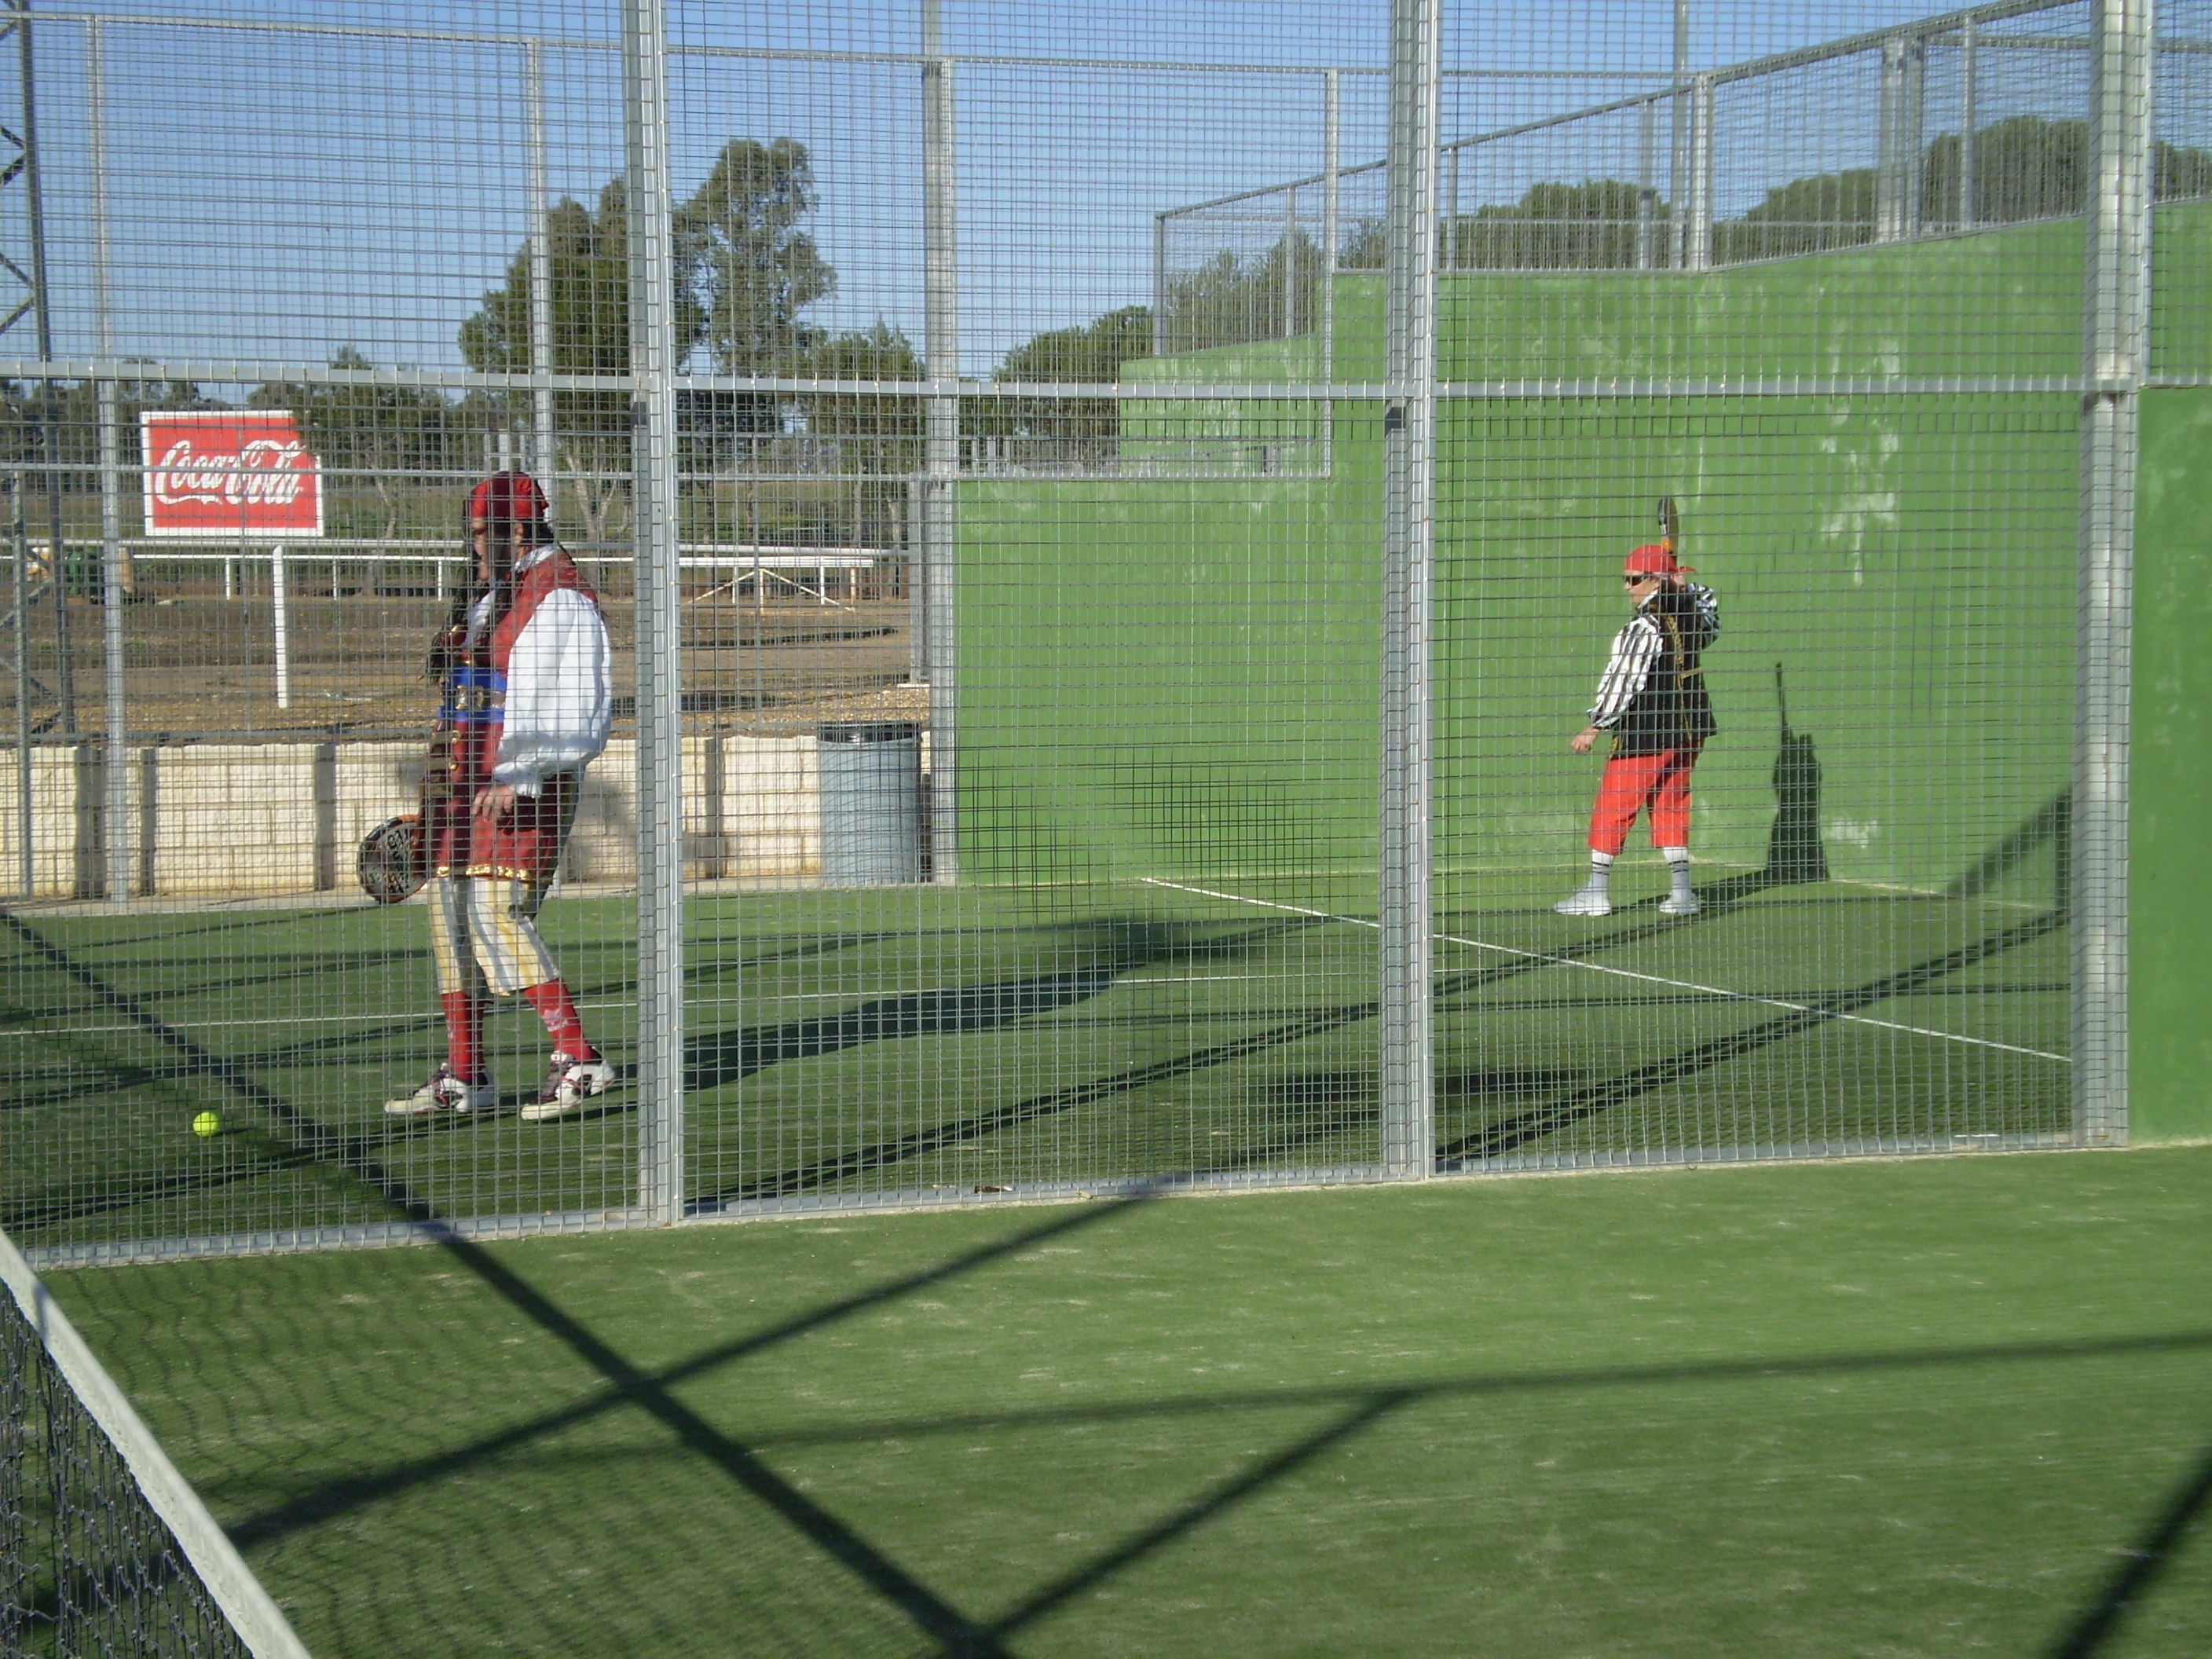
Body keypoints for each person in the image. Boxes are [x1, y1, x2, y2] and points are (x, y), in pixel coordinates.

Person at [385, 471, 618, 1122]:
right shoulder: (497, 595)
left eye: (485, 532)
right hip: (464, 787)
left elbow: (573, 698)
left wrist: (523, 772)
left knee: (496, 910)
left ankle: (579, 1059)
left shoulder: (558, 596)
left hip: (516, 784)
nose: (476, 545)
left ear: (519, 530)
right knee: (449, 916)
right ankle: (466, 1075)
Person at [1554, 541, 1720, 918]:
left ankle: (1596, 893)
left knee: (1614, 807)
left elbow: (1622, 680)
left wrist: (1596, 725)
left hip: (1646, 733)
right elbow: (1710, 610)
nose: (1626, 587)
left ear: (1655, 581)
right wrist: (1682, 586)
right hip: (1689, 732)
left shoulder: (1642, 627)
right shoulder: (1692, 617)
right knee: (1671, 806)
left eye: (1633, 579)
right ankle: (1682, 894)